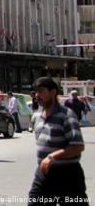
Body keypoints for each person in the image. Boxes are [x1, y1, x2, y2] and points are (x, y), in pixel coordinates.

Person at [28, 77, 87, 205]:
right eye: (36, 92)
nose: (37, 95)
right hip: (44, 173)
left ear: (53, 92)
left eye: (41, 91)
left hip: (68, 175)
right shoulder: (38, 116)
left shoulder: (66, 115)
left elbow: (77, 146)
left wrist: (52, 156)